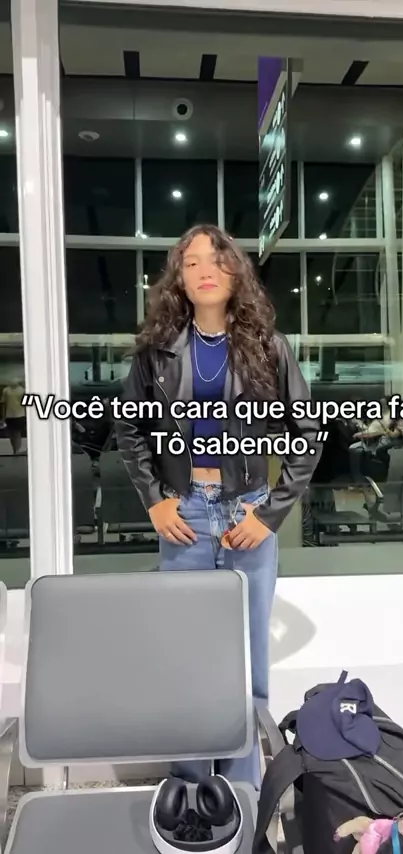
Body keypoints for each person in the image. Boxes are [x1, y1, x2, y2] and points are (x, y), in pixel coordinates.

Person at [115, 224, 321, 789]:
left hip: (245, 514)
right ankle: (190, 784)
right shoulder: (156, 352)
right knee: (187, 654)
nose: (204, 270)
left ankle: (244, 786)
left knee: (249, 657)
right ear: (179, 280)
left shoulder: (269, 347)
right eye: (191, 263)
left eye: (216, 259)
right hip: (184, 515)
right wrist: (154, 501)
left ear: (235, 271)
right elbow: (129, 429)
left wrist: (269, 514)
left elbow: (307, 435)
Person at [0, 379, 26, 455]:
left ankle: (17, 450)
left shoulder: (22, 391)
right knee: (12, 434)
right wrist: (3, 417)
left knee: (17, 433)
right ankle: (15, 449)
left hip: (19, 415)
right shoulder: (6, 391)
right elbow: (4, 404)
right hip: (9, 415)